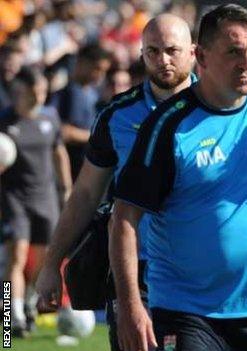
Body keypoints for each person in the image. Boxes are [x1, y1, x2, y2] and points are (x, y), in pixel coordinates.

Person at [109, 4, 247, 351]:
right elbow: (124, 217)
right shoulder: (168, 125)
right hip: (186, 312)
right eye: (234, 52)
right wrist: (131, 306)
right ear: (202, 57)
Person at [35, 13, 197, 350]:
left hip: (201, 266)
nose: (163, 60)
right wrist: (52, 264)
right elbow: (85, 195)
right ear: (141, 54)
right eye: (152, 51)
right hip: (135, 270)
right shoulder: (117, 115)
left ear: (193, 52)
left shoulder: (221, 108)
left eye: (172, 50)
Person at [0, 67, 73, 337]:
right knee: (16, 256)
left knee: (42, 262)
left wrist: (66, 188)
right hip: (14, 197)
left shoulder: (50, 117)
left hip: (45, 196)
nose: (40, 96)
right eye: (35, 91)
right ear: (21, 91)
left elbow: (59, 152)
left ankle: (29, 302)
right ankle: (10, 318)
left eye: (43, 91)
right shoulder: (5, 121)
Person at [48, 43, 112, 180]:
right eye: (97, 68)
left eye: (104, 71)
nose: (101, 75)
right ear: (82, 63)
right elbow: (64, 132)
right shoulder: (65, 94)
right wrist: (100, 136)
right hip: (71, 170)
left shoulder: (96, 94)